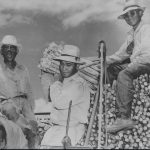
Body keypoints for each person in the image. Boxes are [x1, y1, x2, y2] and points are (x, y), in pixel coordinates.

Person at [106, 0, 150, 133]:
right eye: (126, 15)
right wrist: (104, 60)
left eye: (132, 13)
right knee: (111, 69)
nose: (129, 17)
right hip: (137, 61)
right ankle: (115, 95)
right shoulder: (131, 34)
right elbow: (120, 54)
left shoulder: (146, 28)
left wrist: (129, 65)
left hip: (147, 60)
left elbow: (145, 51)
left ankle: (125, 118)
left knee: (124, 74)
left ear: (140, 13)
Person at [41, 45, 90, 147]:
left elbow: (59, 102)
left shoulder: (79, 84)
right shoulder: (64, 83)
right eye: (62, 64)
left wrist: (56, 83)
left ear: (76, 66)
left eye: (68, 65)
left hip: (71, 131)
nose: (64, 68)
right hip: (56, 130)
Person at [0, 35, 39, 148]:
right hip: (7, 103)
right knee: (25, 128)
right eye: (6, 47)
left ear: (16, 51)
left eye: (12, 47)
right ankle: (27, 131)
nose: (9, 50)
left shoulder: (23, 69)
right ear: (1, 51)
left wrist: (31, 108)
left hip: (24, 102)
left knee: (34, 126)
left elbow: (29, 90)